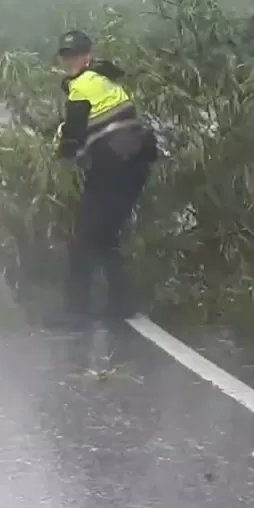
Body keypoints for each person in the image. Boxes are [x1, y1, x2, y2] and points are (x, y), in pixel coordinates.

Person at [52, 30, 157, 326]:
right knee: (106, 237)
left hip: (115, 170)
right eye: (66, 56)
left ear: (89, 56)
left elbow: (72, 139)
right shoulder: (107, 79)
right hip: (132, 167)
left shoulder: (82, 86)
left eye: (75, 56)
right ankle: (123, 304)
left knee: (84, 238)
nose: (70, 61)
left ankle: (76, 311)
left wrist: (61, 157)